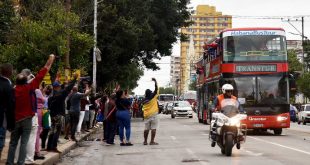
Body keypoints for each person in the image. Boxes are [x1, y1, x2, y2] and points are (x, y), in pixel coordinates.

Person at [6, 54, 55, 165]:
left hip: (16, 119)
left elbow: (9, 107)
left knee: (13, 143)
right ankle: (21, 162)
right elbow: (44, 71)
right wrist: (50, 59)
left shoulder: (12, 90)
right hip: (28, 119)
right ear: (26, 81)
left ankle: (9, 162)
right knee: (24, 142)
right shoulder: (30, 87)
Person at [46, 73, 78, 153]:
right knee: (57, 130)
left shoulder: (51, 94)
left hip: (52, 115)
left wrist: (57, 78)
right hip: (58, 115)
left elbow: (65, 88)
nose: (61, 87)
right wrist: (74, 79)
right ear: (58, 87)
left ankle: (49, 147)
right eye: (60, 86)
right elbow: (68, 88)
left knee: (52, 130)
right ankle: (54, 147)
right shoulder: (60, 94)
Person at [0, 63, 15, 160]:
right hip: (1, 119)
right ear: (10, 72)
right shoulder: (8, 86)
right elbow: (10, 107)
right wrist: (11, 125)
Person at [141, 78, 159, 145]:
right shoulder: (153, 97)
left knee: (146, 128)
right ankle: (152, 141)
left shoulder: (144, 100)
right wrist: (155, 82)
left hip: (146, 115)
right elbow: (156, 89)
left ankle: (145, 141)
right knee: (153, 128)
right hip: (154, 114)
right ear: (150, 93)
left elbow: (142, 108)